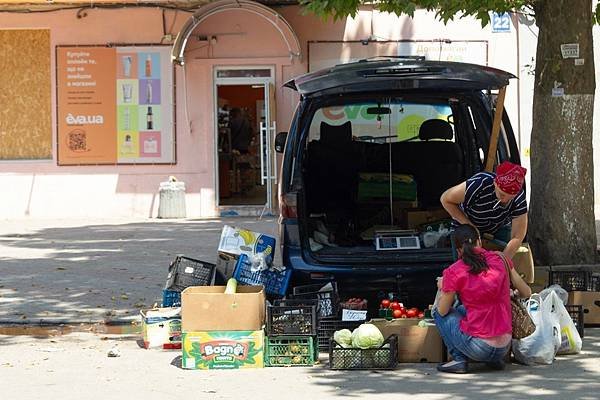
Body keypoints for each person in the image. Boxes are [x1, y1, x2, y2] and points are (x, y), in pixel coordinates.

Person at [433, 224, 531, 374]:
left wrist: (443, 285)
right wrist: (510, 292)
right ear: (479, 241)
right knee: (461, 309)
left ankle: (459, 359)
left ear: (459, 250)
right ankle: (494, 360)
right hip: (504, 347)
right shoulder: (501, 259)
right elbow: (526, 292)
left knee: (437, 313)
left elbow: (443, 310)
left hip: (480, 348)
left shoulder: (454, 271)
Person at [440, 161, 528, 258]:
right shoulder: (479, 184)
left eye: (510, 198)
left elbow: (517, 236)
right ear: (495, 183)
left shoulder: (519, 198)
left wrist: (503, 261)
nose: (505, 200)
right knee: (467, 265)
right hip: (466, 224)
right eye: (502, 194)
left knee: (506, 260)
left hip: (497, 227)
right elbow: (445, 199)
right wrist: (470, 225)